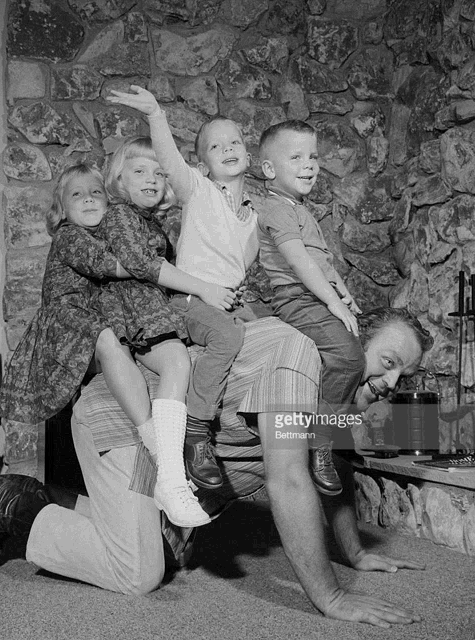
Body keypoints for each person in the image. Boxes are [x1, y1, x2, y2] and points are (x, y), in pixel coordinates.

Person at [0, 307, 433, 628]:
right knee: (139, 574)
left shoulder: (338, 395)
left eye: (402, 375)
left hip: (170, 465)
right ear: (349, 340)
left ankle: (39, 502)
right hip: (129, 426)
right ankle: (10, 505)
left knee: (156, 551)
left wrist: (354, 552)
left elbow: (338, 467)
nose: (391, 382)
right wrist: (331, 597)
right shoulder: (299, 354)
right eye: (387, 361)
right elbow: (287, 479)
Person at [107, 86, 260, 491]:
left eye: (235, 142)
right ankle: (196, 429)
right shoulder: (198, 190)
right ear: (202, 165)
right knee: (229, 335)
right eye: (215, 145)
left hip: (220, 301)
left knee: (264, 328)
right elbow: (170, 157)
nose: (227, 148)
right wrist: (156, 114)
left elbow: (238, 268)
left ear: (249, 154)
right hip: (187, 302)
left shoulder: (251, 217)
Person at [96, 135, 240, 527]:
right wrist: (205, 288)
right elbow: (143, 266)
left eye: (159, 173)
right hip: (133, 308)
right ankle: (173, 480)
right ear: (119, 180)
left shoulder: (151, 221)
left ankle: (175, 477)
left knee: (189, 355)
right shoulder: (120, 216)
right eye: (139, 171)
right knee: (177, 360)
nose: (152, 179)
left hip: (152, 306)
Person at [257, 120, 365, 497]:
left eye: (314, 156)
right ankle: (321, 440)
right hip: (295, 297)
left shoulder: (300, 209)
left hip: (314, 293)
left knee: (353, 348)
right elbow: (300, 263)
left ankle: (336, 433)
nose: (310, 165)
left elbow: (322, 262)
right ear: (269, 169)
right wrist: (332, 303)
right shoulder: (275, 208)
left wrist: (344, 293)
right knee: (349, 357)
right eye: (297, 157)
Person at [0, 163, 129, 426]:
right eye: (77, 194)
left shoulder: (105, 238)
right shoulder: (69, 235)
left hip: (83, 325)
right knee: (107, 341)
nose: (89, 198)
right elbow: (110, 265)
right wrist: (154, 267)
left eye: (96, 192)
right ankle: (147, 426)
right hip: (66, 325)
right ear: (63, 210)